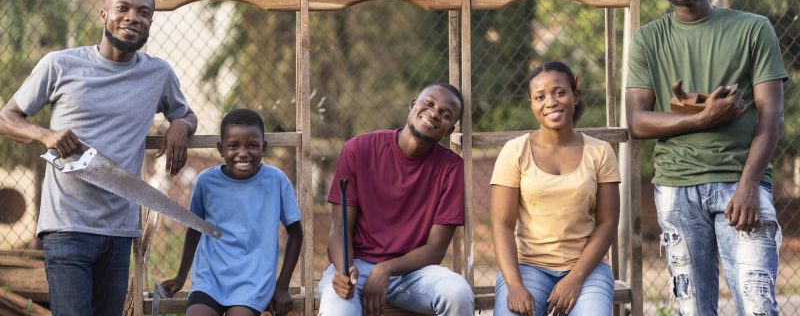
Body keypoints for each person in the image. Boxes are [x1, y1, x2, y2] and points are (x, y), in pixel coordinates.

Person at [0, 0, 197, 315]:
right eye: (123, 8)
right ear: (104, 14)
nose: (133, 18)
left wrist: (181, 124)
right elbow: (6, 118)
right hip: (67, 227)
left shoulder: (158, 73)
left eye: (144, 13)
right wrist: (44, 135)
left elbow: (186, 114)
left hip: (120, 230)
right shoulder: (60, 64)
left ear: (150, 23)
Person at [626, 0, 788, 314]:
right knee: (693, 309)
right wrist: (703, 117)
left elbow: (772, 116)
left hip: (739, 183)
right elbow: (637, 121)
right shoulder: (647, 39)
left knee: (758, 305)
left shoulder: (753, 28)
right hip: (676, 187)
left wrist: (749, 184)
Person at [317, 83, 474, 316]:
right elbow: (339, 230)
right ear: (413, 104)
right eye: (428, 103)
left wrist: (387, 268)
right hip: (355, 268)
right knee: (337, 309)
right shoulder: (358, 149)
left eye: (445, 114)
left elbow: (436, 247)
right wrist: (343, 271)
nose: (434, 113)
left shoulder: (451, 167)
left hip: (412, 273)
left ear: (449, 130)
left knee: (458, 293)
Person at [491, 62, 620, 316]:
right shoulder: (515, 151)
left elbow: (607, 223)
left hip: (587, 267)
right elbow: (502, 225)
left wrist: (576, 277)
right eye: (540, 97)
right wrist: (514, 285)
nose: (550, 102)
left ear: (576, 95)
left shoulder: (600, 151)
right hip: (528, 267)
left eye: (559, 92)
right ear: (532, 104)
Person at [160, 109, 303, 316]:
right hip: (210, 278)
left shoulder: (276, 181)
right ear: (221, 149)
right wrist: (181, 277)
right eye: (233, 146)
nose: (243, 153)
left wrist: (281, 287)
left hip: (253, 280)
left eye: (252, 145)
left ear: (263, 147)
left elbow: (296, 232)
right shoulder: (206, 182)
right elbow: (194, 230)